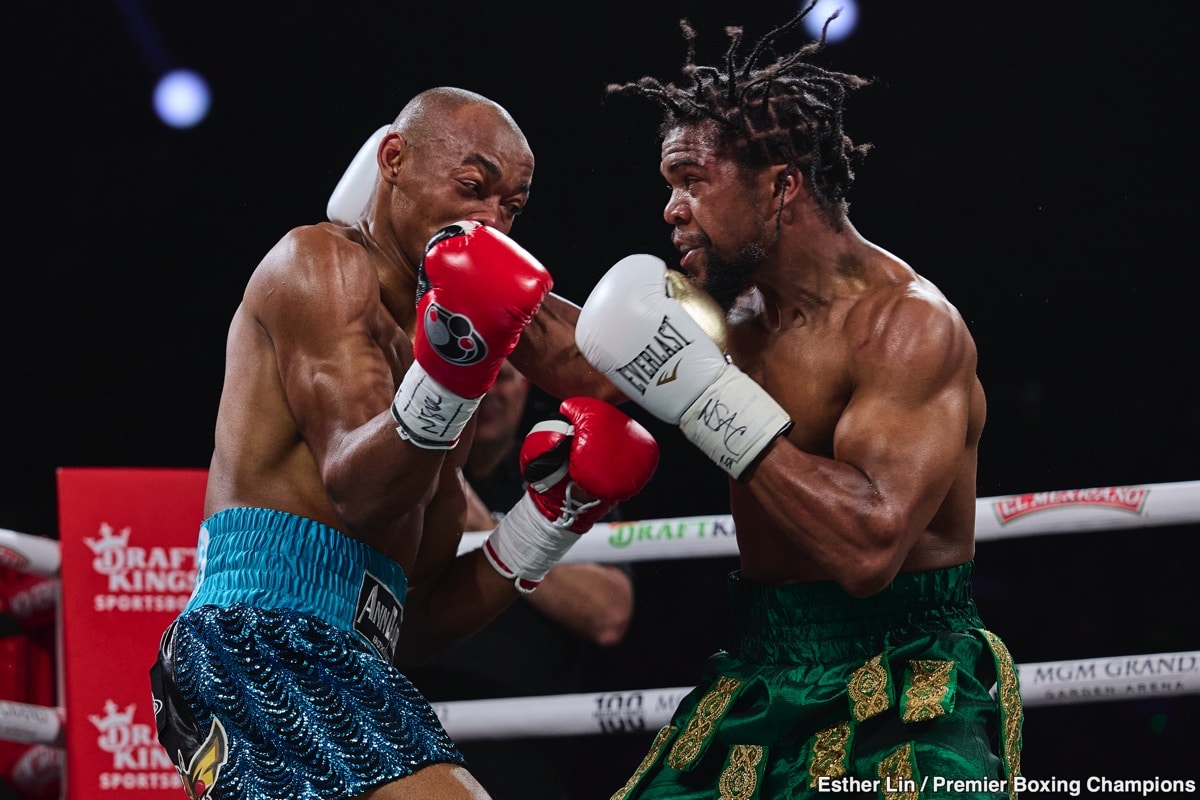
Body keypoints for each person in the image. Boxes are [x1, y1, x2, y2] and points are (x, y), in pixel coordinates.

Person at [148, 86, 660, 800]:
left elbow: (409, 624)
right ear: (394, 159)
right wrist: (456, 370)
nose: (490, 220)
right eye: (472, 187)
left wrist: (541, 525)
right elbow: (357, 491)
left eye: (510, 206)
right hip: (256, 644)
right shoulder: (319, 266)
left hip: (349, 662)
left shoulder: (448, 362)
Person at [576, 10, 1023, 799]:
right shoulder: (733, 311)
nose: (672, 209)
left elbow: (867, 548)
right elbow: (593, 351)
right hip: (762, 662)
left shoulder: (906, 327)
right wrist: (450, 258)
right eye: (669, 184)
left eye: (692, 180)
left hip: (907, 667)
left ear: (781, 183)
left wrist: (712, 398)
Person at [406, 359, 635, 799]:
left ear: (527, 386)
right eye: (482, 379)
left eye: (504, 378)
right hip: (419, 729)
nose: (491, 394)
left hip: (535, 748)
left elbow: (609, 613)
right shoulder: (416, 474)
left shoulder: (564, 472)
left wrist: (491, 531)